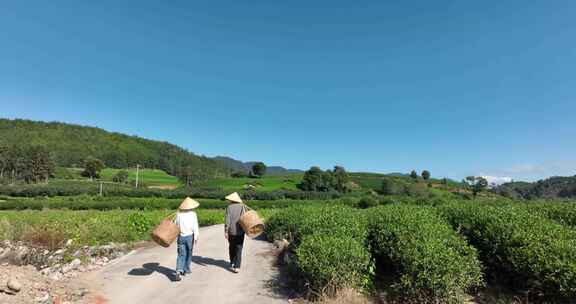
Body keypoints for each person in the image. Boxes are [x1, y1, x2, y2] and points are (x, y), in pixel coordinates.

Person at [174, 197, 200, 281]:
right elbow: (195, 226)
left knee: (181, 254)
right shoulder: (193, 214)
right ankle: (186, 269)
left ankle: (178, 270)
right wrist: (196, 237)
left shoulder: (178, 214)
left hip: (181, 236)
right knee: (189, 253)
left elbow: (175, 225)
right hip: (190, 236)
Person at [224, 192, 246, 273]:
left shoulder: (229, 207)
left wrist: (226, 231)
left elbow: (227, 220)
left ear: (231, 200)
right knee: (239, 248)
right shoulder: (242, 206)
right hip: (240, 231)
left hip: (231, 232)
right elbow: (244, 218)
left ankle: (232, 262)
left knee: (231, 247)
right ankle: (237, 266)